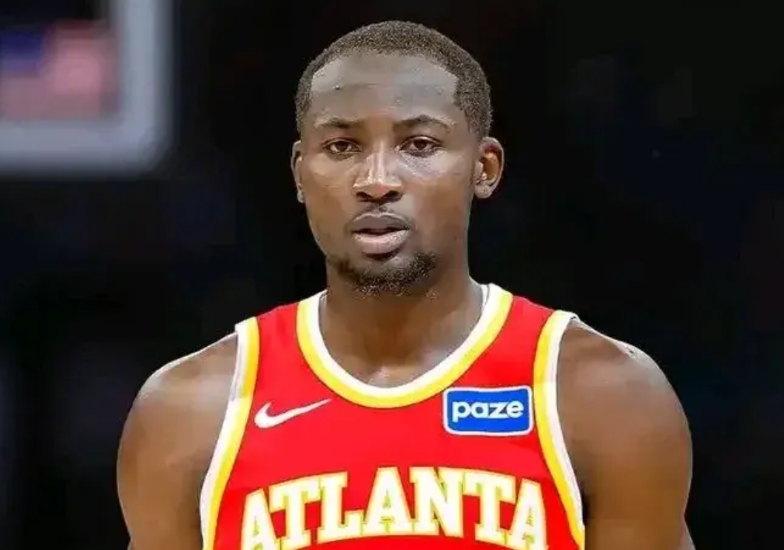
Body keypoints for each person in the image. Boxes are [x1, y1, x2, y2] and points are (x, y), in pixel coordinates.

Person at [117, 21, 693, 550]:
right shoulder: (190, 412)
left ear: (485, 168)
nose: (376, 181)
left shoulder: (603, 395)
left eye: (419, 145)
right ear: (299, 173)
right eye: (342, 147)